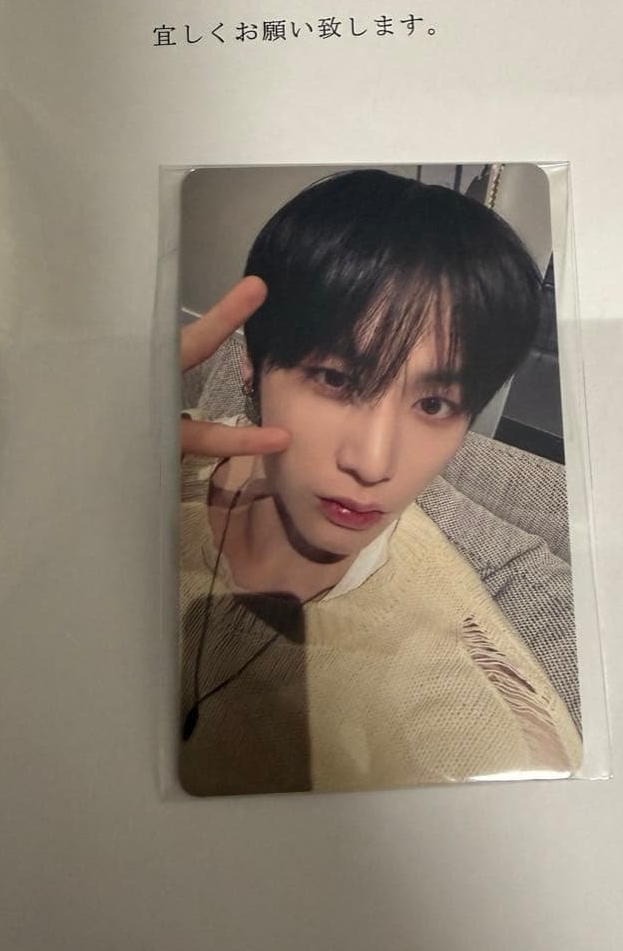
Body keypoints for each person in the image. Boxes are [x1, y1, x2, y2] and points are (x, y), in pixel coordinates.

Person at [179, 169, 582, 795]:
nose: (373, 464)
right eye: (337, 379)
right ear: (251, 364)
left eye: (434, 404)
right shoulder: (151, 463)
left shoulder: (469, 714)